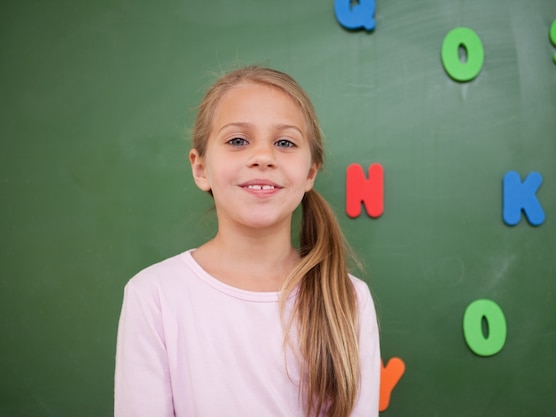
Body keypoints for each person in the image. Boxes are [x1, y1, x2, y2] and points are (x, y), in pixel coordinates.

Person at [114, 66, 380, 417]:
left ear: (310, 173)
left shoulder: (348, 298)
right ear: (200, 168)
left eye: (284, 142)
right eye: (238, 141)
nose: (263, 157)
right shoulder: (154, 295)